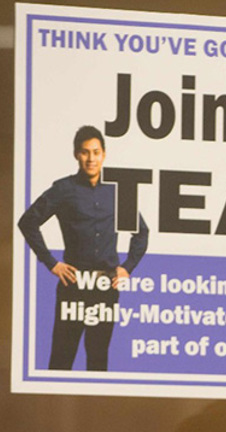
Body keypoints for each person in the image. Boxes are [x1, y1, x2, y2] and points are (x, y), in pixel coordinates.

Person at [18, 125, 149, 371]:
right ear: (76, 154)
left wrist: (127, 268)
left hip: (105, 288)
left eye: (96, 152)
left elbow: (141, 232)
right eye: (85, 152)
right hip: (74, 286)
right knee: (61, 359)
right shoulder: (63, 190)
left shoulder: (118, 191)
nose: (91, 158)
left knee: (98, 360)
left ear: (104, 154)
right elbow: (28, 222)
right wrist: (51, 263)